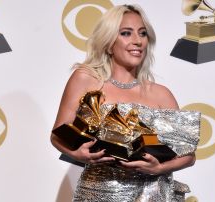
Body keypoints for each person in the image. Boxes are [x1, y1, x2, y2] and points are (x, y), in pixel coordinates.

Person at [51, 4, 200, 202]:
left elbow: (189, 156)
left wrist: (159, 167)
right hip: (99, 193)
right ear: (109, 42)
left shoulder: (162, 94)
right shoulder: (86, 79)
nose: (137, 41)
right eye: (126, 33)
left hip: (153, 195)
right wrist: (79, 155)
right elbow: (57, 135)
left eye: (142, 33)